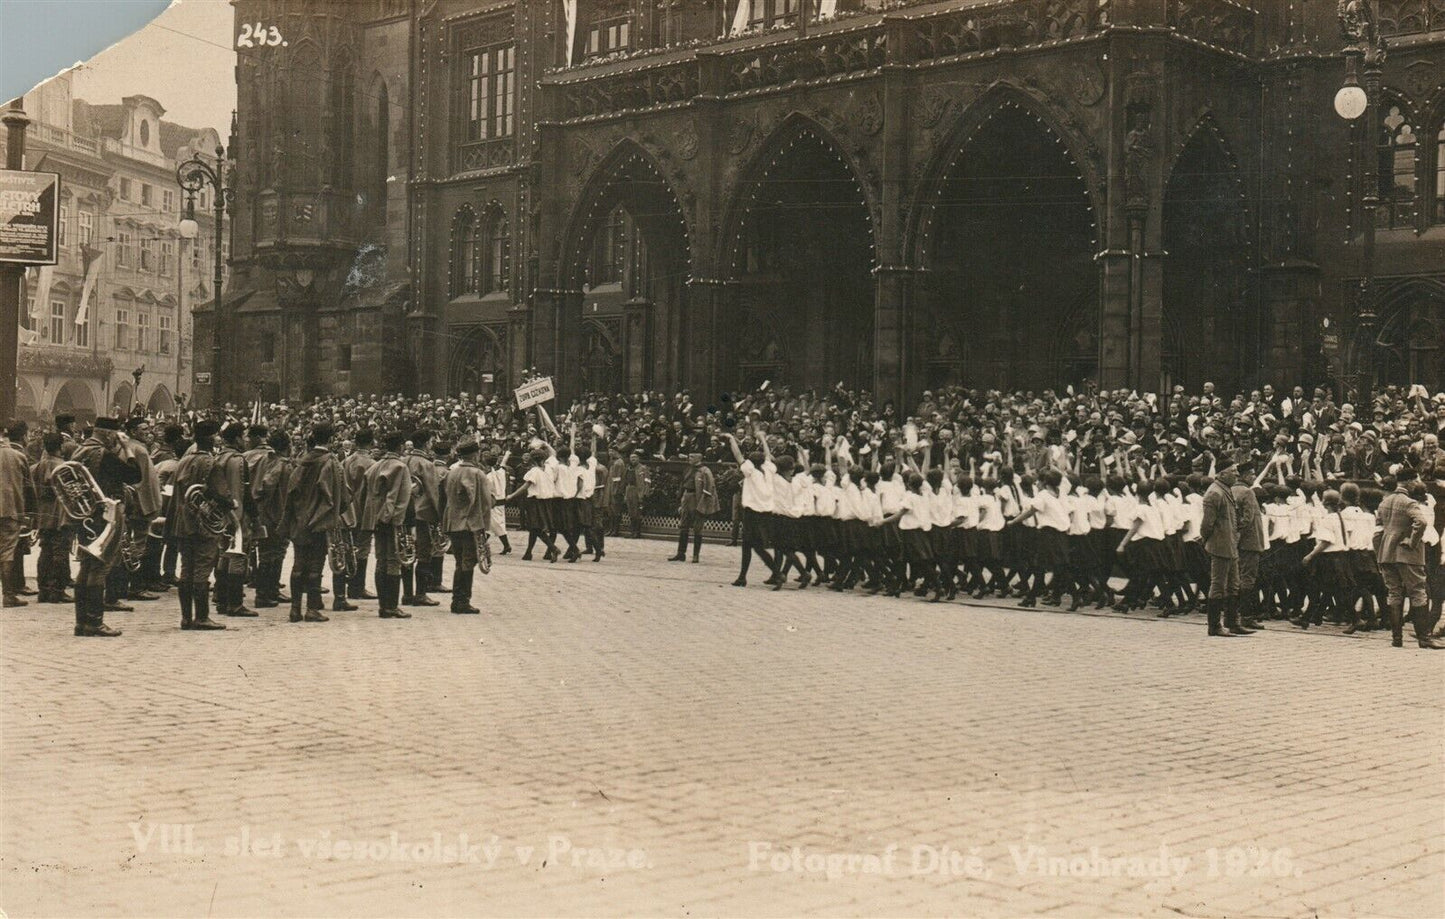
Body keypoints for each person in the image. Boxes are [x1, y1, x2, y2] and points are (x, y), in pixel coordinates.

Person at [281, 423, 349, 623]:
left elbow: (290, 491)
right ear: (331, 439)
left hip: (298, 520)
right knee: (315, 566)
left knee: (298, 564)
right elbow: (341, 497)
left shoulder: (301, 462)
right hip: (319, 520)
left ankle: (295, 610)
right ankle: (311, 609)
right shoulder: (331, 462)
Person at [166, 419, 227, 632]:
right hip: (203, 524)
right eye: (217, 435)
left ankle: (185, 618)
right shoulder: (211, 462)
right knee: (202, 569)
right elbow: (218, 493)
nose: (219, 439)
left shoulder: (184, 460)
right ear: (210, 438)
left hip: (183, 522)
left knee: (186, 569)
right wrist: (231, 503)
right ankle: (202, 617)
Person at [1375, 468, 1445, 649]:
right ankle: (1424, 638)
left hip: (1386, 554)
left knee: (1394, 593)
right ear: (1409, 482)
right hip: (1408, 555)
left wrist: (1379, 552)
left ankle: (1396, 638)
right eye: (1415, 480)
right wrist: (1412, 541)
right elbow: (1421, 522)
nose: (1417, 484)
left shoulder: (1385, 502)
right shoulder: (1410, 502)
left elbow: (1378, 531)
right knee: (1418, 593)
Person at [360, 431, 413, 619]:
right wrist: (391, 518)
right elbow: (395, 498)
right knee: (393, 561)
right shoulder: (399, 467)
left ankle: (384, 606)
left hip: (374, 517)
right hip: (390, 520)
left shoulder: (376, 465)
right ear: (399, 447)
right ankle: (391, 606)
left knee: (381, 561)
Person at [1199, 462, 1253, 637]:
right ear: (1221, 474)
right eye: (1233, 471)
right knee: (1218, 586)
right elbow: (1207, 524)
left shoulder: (1225, 489)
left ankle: (1231, 622)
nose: (1236, 475)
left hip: (1230, 544)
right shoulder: (1214, 493)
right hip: (1220, 545)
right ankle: (1214, 625)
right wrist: (1207, 541)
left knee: (1233, 585)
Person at [442, 440, 492, 614]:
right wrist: (484, 527)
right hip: (470, 523)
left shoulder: (452, 472)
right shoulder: (477, 473)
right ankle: (462, 600)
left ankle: (457, 600)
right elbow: (485, 502)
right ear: (475, 454)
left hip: (453, 522)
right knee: (468, 562)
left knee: (459, 561)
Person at [32, 432, 72, 604]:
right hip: (60, 515)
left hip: (43, 514)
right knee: (60, 552)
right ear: (61, 446)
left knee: (45, 551)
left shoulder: (38, 466)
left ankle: (43, 589)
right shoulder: (63, 466)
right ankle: (57, 590)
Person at [0, 422, 35, 607]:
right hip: (10, 510)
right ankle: (8, 595)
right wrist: (31, 514)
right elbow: (29, 489)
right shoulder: (18, 456)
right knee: (6, 553)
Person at [341, 428, 378, 599]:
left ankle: (346, 585)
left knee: (347, 547)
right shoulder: (371, 463)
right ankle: (357, 587)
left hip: (347, 509)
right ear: (371, 443)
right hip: (363, 510)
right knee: (362, 548)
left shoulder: (347, 460)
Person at [670, 452, 716, 563]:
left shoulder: (705, 471)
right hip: (687, 496)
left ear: (699, 458)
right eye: (689, 456)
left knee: (697, 528)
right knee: (683, 526)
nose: (689, 458)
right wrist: (681, 500)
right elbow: (683, 484)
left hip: (698, 498)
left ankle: (696, 555)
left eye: (692, 457)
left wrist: (703, 505)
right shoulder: (688, 469)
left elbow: (709, 489)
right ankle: (681, 554)